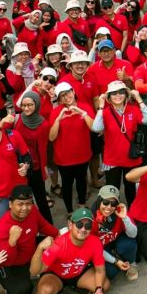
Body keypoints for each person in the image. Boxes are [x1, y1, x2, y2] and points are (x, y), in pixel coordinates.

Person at [31, 207, 106, 294]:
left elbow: (100, 270)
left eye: (88, 226)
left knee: (104, 285)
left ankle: (77, 286)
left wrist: (98, 288)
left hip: (78, 273)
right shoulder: (58, 245)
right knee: (44, 293)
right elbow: (34, 271)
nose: (83, 229)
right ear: (70, 225)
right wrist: (40, 248)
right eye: (79, 224)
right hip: (56, 276)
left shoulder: (95, 242)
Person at [0, 186, 60, 294]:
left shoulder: (33, 210)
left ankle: (34, 271)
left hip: (31, 251)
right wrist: (12, 241)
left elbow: (43, 226)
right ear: (10, 204)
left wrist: (58, 235)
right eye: (20, 204)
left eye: (28, 203)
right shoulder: (1, 226)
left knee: (57, 246)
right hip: (11, 263)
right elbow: (6, 260)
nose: (25, 208)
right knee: (21, 293)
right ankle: (7, 282)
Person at [92, 80, 147, 204]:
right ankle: (113, 217)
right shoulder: (105, 112)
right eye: (113, 93)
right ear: (109, 97)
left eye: (121, 92)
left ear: (126, 94)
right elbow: (96, 128)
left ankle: (131, 215)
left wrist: (138, 98)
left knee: (131, 190)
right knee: (112, 191)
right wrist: (101, 105)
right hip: (112, 159)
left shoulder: (133, 109)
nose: (118, 95)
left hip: (131, 158)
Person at [8, 91, 55, 224]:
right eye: (23, 105)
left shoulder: (43, 125)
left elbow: (42, 150)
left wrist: (43, 170)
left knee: (41, 200)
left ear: (37, 105)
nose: (26, 108)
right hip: (18, 168)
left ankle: (48, 227)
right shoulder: (16, 119)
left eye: (30, 105)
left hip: (35, 168)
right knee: (26, 201)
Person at [48, 82, 94, 214]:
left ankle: (82, 204)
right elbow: (51, 137)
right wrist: (58, 119)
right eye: (62, 96)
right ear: (59, 99)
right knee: (67, 185)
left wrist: (83, 113)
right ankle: (69, 211)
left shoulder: (85, 107)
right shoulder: (56, 112)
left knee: (81, 181)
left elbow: (93, 128)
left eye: (67, 93)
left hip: (83, 155)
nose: (66, 97)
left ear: (73, 91)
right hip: (63, 159)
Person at [89, 185, 140, 283]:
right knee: (111, 273)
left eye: (113, 203)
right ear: (99, 200)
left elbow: (133, 234)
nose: (109, 207)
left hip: (116, 238)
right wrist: (115, 261)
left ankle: (132, 262)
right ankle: (116, 257)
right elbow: (94, 248)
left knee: (128, 244)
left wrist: (125, 218)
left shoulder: (120, 211)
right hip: (101, 247)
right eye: (105, 202)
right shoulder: (90, 219)